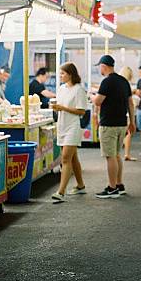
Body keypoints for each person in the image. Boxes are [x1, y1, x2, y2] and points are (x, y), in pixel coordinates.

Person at [92, 55, 135, 199]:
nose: (100, 69)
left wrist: (91, 96)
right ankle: (119, 184)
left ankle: (111, 188)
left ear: (104, 66)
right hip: (122, 123)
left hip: (108, 124)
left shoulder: (106, 82)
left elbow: (98, 101)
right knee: (116, 155)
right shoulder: (124, 81)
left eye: (100, 66)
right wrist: (132, 122)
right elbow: (130, 103)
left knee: (110, 156)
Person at [51, 63, 87, 203]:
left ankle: (61, 192)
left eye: (63, 73)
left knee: (65, 158)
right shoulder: (61, 89)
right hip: (62, 125)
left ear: (70, 74)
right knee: (73, 158)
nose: (60, 76)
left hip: (73, 126)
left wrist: (63, 108)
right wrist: (57, 108)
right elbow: (61, 106)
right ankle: (80, 185)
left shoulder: (79, 90)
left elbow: (82, 112)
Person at [119, 66, 137, 161]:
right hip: (127, 112)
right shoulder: (127, 84)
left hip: (119, 112)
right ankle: (127, 154)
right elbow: (130, 102)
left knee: (122, 132)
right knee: (129, 133)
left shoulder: (118, 83)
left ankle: (121, 152)